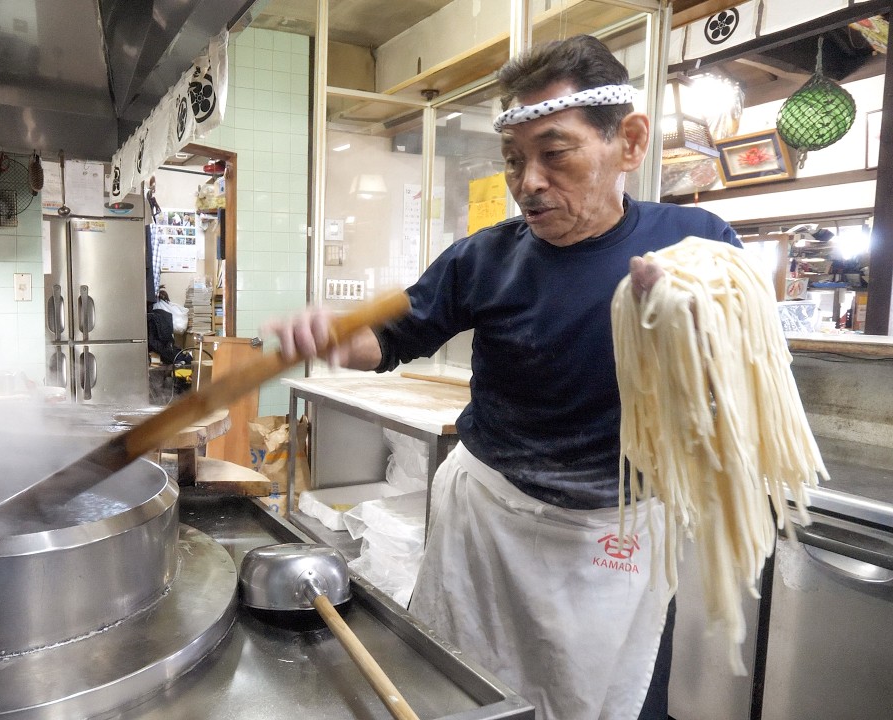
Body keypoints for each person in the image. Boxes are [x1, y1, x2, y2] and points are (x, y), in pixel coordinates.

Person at [263, 35, 739, 720]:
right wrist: (334, 337)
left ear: (628, 143)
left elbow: (744, 361)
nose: (529, 181)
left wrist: (693, 321)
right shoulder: (484, 259)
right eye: (514, 160)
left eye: (556, 153)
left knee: (594, 704)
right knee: (458, 686)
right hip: (487, 519)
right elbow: (392, 337)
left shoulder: (695, 243)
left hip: (613, 531)